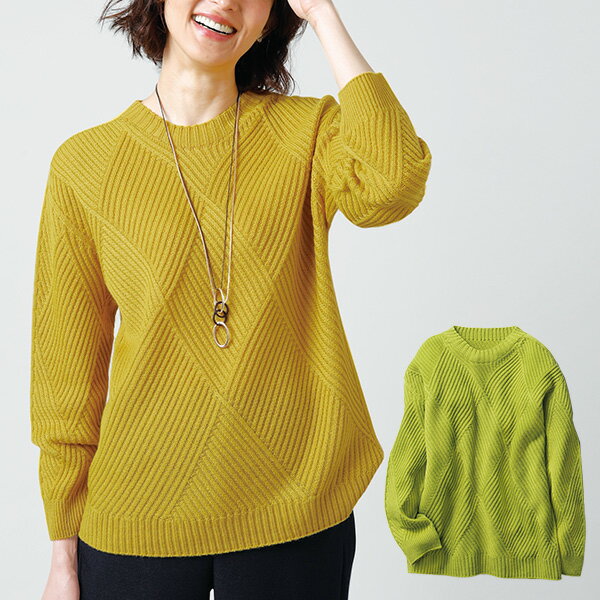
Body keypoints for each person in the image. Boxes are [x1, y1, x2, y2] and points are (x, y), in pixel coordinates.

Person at [30, 0, 432, 598]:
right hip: (137, 517)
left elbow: (393, 182)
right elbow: (65, 370)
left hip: (295, 510)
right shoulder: (84, 166)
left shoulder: (307, 132)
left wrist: (323, 16)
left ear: (271, 18)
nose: (225, 2)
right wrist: (63, 557)